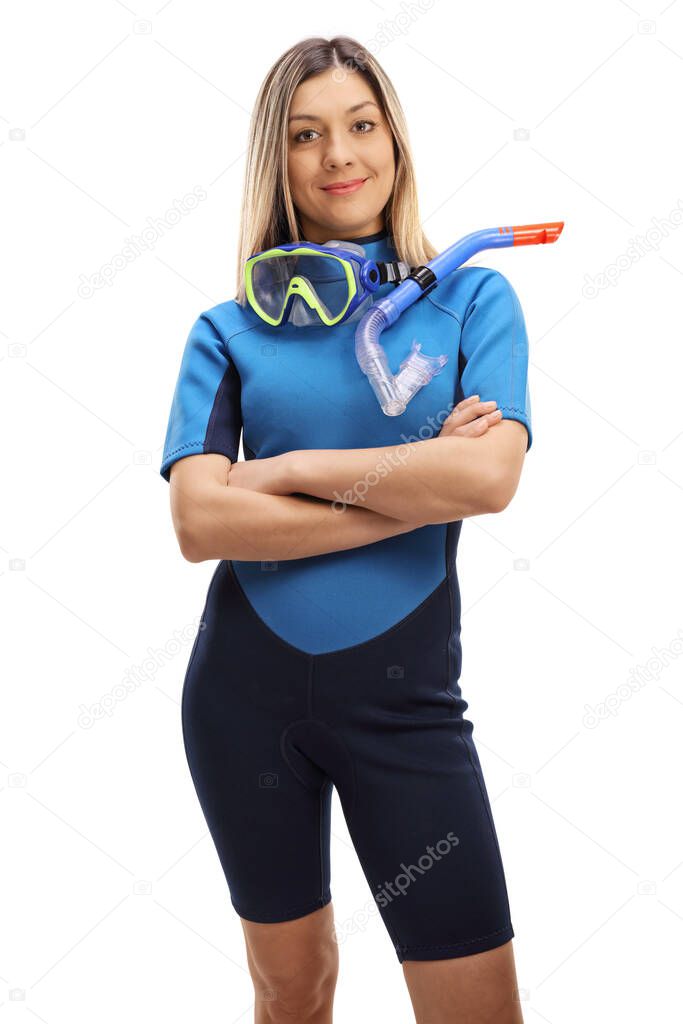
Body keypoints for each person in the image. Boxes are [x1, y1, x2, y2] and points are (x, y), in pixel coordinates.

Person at [160, 34, 532, 1024]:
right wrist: (414, 485)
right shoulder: (225, 329)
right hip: (241, 702)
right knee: (292, 990)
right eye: (306, 134)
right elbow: (200, 519)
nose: (338, 157)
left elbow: (488, 478)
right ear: (274, 160)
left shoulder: (472, 301)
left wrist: (281, 476)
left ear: (394, 143)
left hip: (407, 710)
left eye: (360, 126)